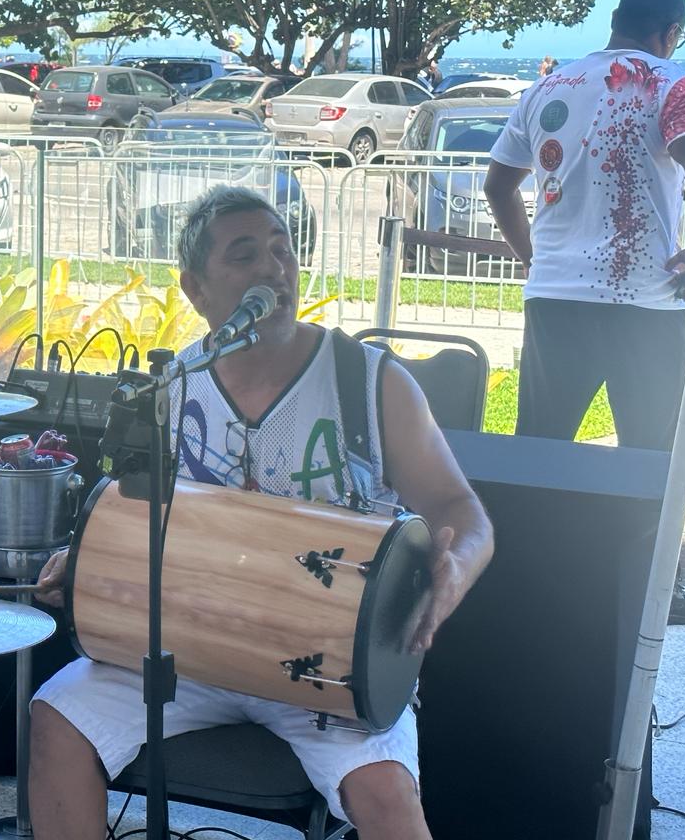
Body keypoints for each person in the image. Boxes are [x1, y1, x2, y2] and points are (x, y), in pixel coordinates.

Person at [29, 186, 495, 839]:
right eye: (244, 255)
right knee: (56, 721)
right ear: (195, 289)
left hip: (332, 661)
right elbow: (130, 526)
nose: (273, 268)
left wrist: (454, 574)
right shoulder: (169, 390)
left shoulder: (371, 382)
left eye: (282, 250)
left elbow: (461, 511)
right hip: (189, 648)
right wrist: (83, 562)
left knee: (387, 798)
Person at [483, 0, 685, 626]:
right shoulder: (676, 84)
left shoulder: (548, 87)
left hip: (556, 298)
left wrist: (534, 255)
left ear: (618, 20)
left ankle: (521, 581)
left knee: (538, 446)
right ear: (669, 30)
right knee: (654, 455)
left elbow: (497, 185)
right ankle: (659, 594)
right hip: (647, 302)